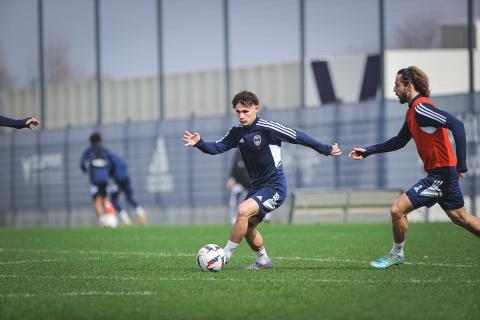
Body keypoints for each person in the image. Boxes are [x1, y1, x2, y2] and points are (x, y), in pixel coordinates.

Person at [183, 90, 341, 269]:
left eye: (246, 111)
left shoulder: (268, 128)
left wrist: (326, 149)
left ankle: (224, 256)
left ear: (256, 109)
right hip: (256, 188)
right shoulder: (237, 132)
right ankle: (263, 261)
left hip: (275, 187)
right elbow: (218, 147)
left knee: (242, 211)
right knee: (248, 228)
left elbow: (298, 136)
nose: (241, 116)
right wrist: (200, 143)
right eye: (238, 112)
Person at [348, 66, 480, 269]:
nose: (394, 89)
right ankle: (396, 254)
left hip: (441, 175)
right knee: (461, 218)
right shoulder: (412, 112)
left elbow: (457, 125)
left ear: (408, 86)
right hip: (442, 174)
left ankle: (396, 254)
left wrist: (461, 164)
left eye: (396, 85)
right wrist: (368, 150)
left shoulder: (421, 108)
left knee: (397, 209)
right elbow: (399, 141)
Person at [80, 132, 114, 226]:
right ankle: (111, 219)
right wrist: (109, 173)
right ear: (100, 141)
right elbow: (112, 162)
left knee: (97, 200)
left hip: (95, 179)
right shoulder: (105, 150)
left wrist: (85, 170)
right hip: (104, 178)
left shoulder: (89, 151)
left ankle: (101, 222)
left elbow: (82, 163)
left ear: (91, 141)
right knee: (105, 198)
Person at [109, 152, 146, 226]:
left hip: (117, 180)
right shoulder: (117, 158)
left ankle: (125, 219)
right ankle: (141, 212)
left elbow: (109, 170)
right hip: (126, 178)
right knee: (129, 197)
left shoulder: (108, 159)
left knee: (113, 200)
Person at [226, 150, 251, 224]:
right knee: (234, 193)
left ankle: (266, 215)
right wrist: (231, 178)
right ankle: (234, 218)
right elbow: (235, 166)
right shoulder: (238, 153)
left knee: (261, 195)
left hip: (253, 183)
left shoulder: (255, 151)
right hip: (240, 183)